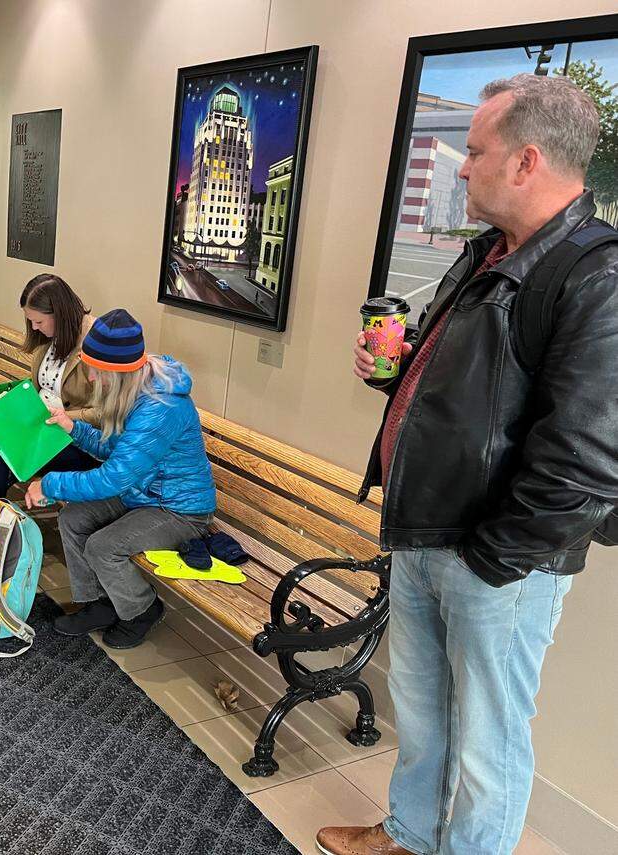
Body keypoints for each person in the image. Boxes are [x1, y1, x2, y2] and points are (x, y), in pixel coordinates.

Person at [319, 75, 618, 855]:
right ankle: (410, 835)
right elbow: (475, 384)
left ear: (525, 162)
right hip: (427, 530)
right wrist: (398, 371)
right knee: (421, 717)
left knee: (489, 745)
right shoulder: (490, 252)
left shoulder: (597, 274)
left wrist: (493, 560)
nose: (460, 167)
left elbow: (588, 460)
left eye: (474, 151)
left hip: (497, 560)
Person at [24, 309, 216, 649]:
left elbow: (113, 478)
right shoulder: (138, 390)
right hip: (142, 494)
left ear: (121, 371)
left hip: (178, 509)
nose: (94, 379)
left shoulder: (161, 408)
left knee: (103, 547)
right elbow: (118, 449)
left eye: (99, 371)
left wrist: (50, 484)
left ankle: (143, 609)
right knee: (73, 517)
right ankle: (99, 603)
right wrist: (74, 428)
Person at [0, 273, 100, 506]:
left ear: (60, 314)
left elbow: (104, 412)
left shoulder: (94, 343)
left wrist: (62, 417)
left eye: (39, 322)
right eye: (30, 321)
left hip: (72, 437)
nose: (34, 327)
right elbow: (44, 384)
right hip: (40, 424)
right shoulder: (50, 338)